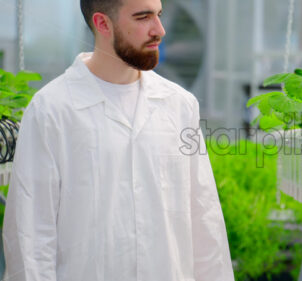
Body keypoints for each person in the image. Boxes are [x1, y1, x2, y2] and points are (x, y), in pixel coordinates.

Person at [2, 0, 235, 280]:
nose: (159, 29)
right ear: (102, 24)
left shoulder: (180, 105)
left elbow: (204, 219)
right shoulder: (51, 110)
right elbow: (30, 236)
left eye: (159, 15)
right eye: (143, 17)